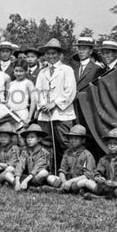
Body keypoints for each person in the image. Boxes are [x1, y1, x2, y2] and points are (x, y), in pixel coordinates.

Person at [35, 38, 77, 169]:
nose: (51, 56)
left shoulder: (66, 70)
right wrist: (43, 104)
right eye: (48, 54)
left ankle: (67, 171)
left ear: (60, 55)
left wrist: (54, 104)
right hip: (45, 115)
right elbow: (38, 91)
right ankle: (48, 171)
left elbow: (70, 91)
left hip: (62, 114)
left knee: (64, 143)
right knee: (46, 143)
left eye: (54, 53)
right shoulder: (42, 72)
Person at [79, 128, 117, 200]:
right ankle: (110, 196)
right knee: (89, 183)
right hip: (106, 187)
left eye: (115, 144)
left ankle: (101, 197)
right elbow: (97, 172)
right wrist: (99, 178)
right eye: (110, 143)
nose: (112, 146)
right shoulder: (104, 159)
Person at [54, 124, 96, 192]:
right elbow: (62, 170)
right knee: (51, 178)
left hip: (78, 181)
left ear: (83, 140)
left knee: (84, 182)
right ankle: (66, 188)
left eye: (76, 138)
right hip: (67, 181)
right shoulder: (67, 153)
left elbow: (87, 175)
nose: (72, 140)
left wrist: (70, 182)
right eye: (71, 138)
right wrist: (64, 181)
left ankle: (65, 189)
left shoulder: (87, 155)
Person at [14, 124, 55, 191]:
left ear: (39, 139)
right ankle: (28, 186)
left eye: (32, 137)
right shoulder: (25, 151)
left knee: (44, 173)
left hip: (38, 177)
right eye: (27, 137)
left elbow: (37, 168)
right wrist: (17, 180)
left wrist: (25, 181)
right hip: (29, 177)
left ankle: (30, 185)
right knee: (13, 174)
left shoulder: (44, 152)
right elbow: (20, 165)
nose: (29, 139)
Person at [6, 59, 36, 125]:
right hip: (11, 115)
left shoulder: (28, 83)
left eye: (21, 71)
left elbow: (33, 101)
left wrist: (29, 117)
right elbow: (7, 100)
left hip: (22, 114)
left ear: (26, 71)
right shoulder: (11, 84)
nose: (18, 73)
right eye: (16, 71)